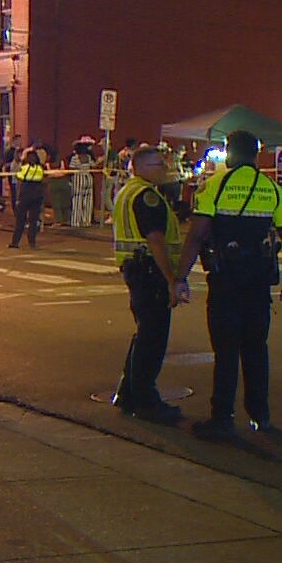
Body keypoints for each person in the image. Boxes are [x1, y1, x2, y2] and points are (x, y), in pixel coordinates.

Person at [176, 129, 282, 439]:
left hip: (225, 280)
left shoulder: (215, 186)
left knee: (226, 350)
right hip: (258, 282)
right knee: (256, 348)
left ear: (230, 153)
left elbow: (196, 236)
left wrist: (180, 278)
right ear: (256, 155)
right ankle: (260, 415)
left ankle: (222, 418)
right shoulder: (270, 189)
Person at [111, 146, 185, 423]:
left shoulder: (128, 191)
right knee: (153, 337)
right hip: (149, 271)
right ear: (141, 167)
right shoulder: (146, 196)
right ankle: (146, 400)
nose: (164, 169)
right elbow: (155, 239)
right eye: (158, 165)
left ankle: (128, 392)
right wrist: (171, 279)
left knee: (144, 332)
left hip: (137, 268)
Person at [9, 145, 47, 248]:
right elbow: (44, 179)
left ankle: (15, 242)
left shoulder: (24, 168)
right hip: (37, 196)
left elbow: (19, 178)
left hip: (25, 195)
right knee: (33, 221)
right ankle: (32, 243)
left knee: (20, 220)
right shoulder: (40, 168)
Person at [68, 140, 97, 227]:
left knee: (77, 201)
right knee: (88, 201)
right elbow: (94, 165)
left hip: (78, 179)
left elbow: (71, 169)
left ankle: (76, 221)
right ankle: (86, 221)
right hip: (88, 178)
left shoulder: (75, 158)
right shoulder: (88, 157)